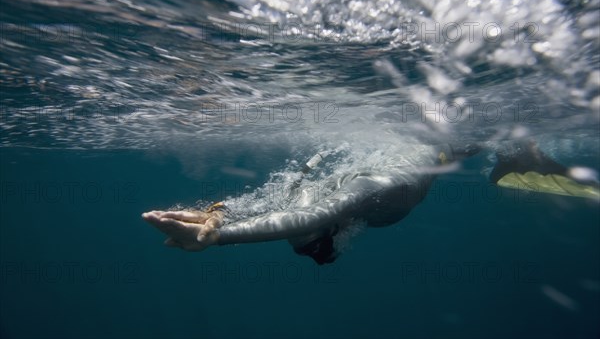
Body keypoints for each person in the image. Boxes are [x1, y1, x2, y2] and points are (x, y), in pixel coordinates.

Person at [142, 141, 598, 264]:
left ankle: (513, 156)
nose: (301, 201)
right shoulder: (380, 200)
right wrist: (218, 238)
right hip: (440, 141)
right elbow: (311, 211)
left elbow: (291, 203)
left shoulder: (336, 206)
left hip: (422, 139)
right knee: (490, 137)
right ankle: (519, 159)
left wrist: (215, 216)